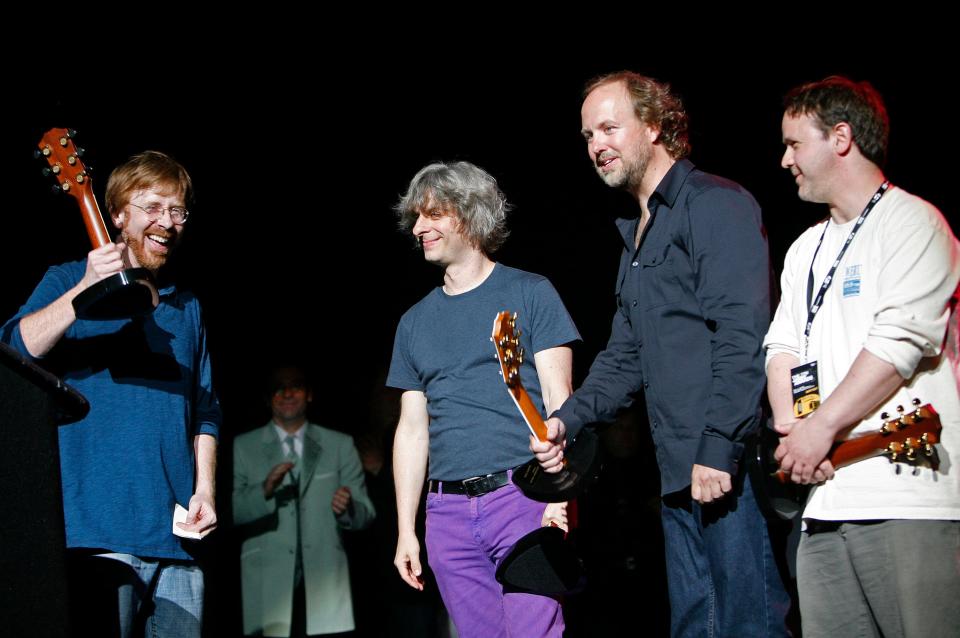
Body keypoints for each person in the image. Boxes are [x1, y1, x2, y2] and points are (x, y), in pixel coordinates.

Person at [532, 71, 790, 636]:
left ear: (654, 125)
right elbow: (624, 357)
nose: (596, 145)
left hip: (729, 465)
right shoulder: (638, 236)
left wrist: (720, 445)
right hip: (679, 470)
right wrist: (564, 422)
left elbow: (744, 335)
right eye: (586, 136)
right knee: (696, 626)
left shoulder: (714, 204)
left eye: (608, 127)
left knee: (747, 625)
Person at [764, 75, 960, 636]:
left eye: (795, 144)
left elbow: (897, 343)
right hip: (824, 503)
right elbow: (782, 347)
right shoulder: (806, 247)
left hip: (907, 501)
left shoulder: (912, 223)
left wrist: (819, 428)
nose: (784, 160)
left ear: (841, 137)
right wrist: (795, 428)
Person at [1, 150, 221, 637]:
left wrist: (204, 488)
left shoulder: (188, 307)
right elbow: (16, 347)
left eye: (178, 210)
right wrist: (84, 290)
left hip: (176, 541)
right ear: (117, 214)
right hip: (97, 536)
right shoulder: (66, 279)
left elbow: (205, 412)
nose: (167, 221)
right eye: (153, 207)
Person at [388, 161, 579, 638]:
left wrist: (561, 498)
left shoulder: (531, 292)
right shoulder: (413, 322)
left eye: (433, 214)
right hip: (447, 516)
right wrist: (406, 530)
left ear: (470, 216)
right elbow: (412, 431)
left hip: (524, 497)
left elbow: (562, 400)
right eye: (416, 217)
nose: (419, 228)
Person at [232, 364, 375, 637]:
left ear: (309, 394)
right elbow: (229, 511)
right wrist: (264, 490)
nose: (287, 393)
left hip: (323, 581)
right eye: (278, 388)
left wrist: (349, 509)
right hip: (268, 582)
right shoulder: (244, 446)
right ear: (267, 398)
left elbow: (366, 512)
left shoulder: (339, 444)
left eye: (295, 386)